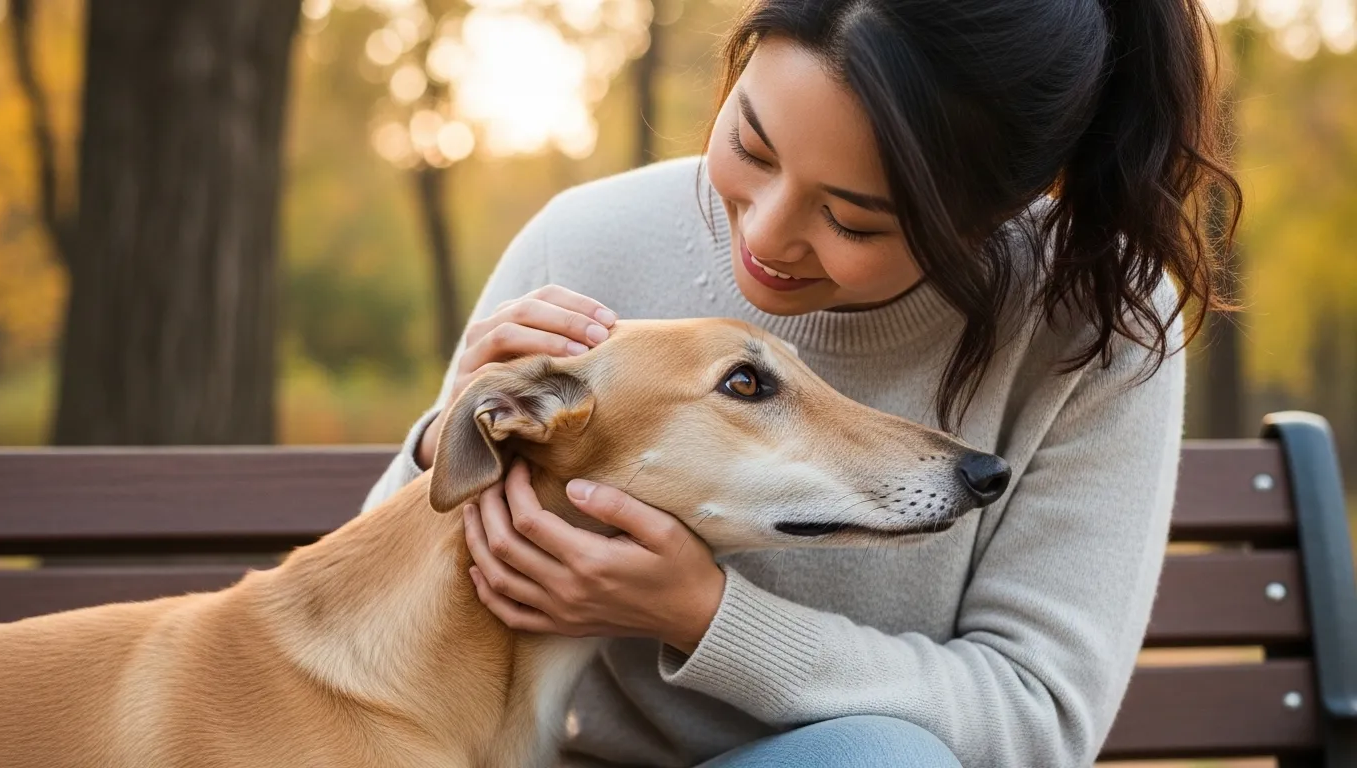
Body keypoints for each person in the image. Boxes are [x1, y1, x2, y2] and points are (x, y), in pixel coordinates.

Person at [362, 0, 1239, 765]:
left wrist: (706, 616)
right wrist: (451, 436)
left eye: (852, 217)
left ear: (992, 213)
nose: (768, 235)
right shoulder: (586, 241)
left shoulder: (1097, 323)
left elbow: (1036, 724)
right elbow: (372, 630)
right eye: (750, 142)